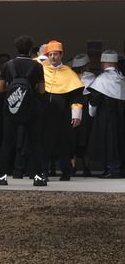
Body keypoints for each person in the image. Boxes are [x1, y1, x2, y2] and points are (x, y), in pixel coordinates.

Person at [0, 36, 49, 186]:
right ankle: (38, 176)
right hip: (31, 108)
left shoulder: (8, 65)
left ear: (16, 48)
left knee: (7, 142)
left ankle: (2, 176)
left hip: (11, 108)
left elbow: (1, 88)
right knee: (35, 142)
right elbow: (42, 90)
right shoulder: (37, 66)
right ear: (30, 49)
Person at [39, 40, 85, 181]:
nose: (53, 57)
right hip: (45, 114)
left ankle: (66, 171)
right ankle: (43, 172)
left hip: (63, 114)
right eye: (50, 55)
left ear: (61, 55)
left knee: (64, 144)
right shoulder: (41, 70)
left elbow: (76, 96)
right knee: (44, 144)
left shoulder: (69, 73)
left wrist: (76, 115)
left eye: (56, 54)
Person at [88, 50, 124, 177]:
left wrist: (92, 113)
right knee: (119, 142)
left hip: (106, 117)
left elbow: (94, 101)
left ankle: (111, 169)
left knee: (108, 143)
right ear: (116, 63)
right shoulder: (121, 79)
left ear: (103, 63)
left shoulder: (102, 80)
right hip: (120, 118)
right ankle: (118, 168)